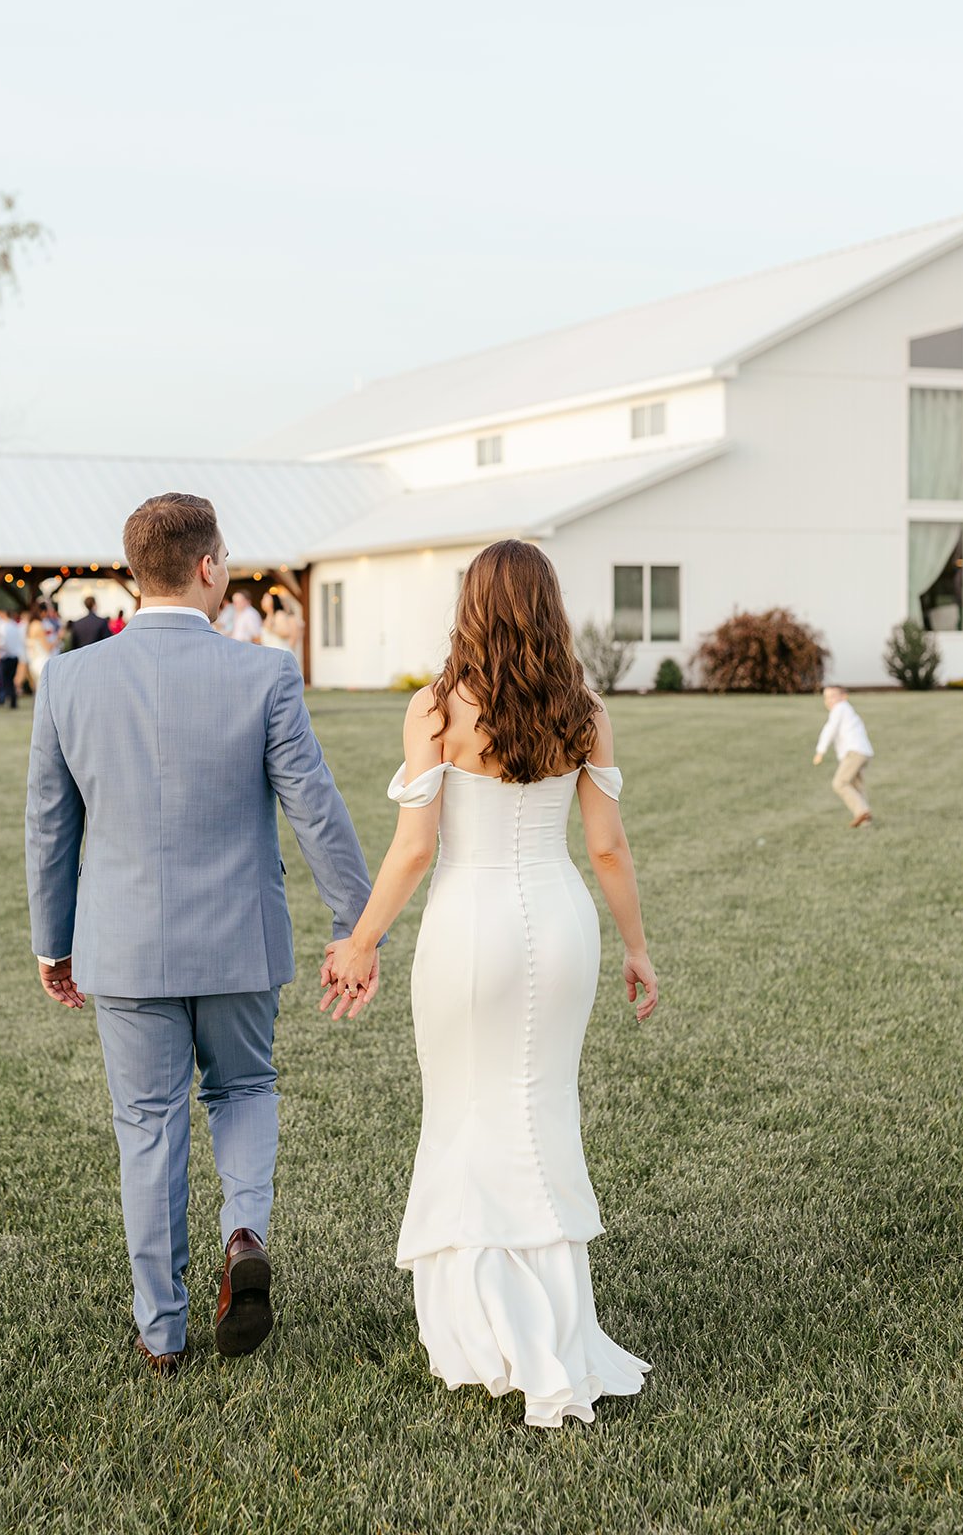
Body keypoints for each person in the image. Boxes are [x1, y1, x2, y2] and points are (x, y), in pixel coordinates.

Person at [25, 492, 378, 1375]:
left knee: (146, 1124)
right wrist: (354, 920)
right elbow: (315, 807)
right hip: (239, 941)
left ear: (134, 574)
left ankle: (162, 1333)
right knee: (245, 1088)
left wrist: (51, 941)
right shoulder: (263, 676)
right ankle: (244, 1229)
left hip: (125, 946)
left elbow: (48, 824)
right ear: (211, 566)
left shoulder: (67, 679)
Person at [322, 539, 658, 1428]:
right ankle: (557, 1327)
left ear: (471, 606)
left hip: (468, 930)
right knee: (539, 1109)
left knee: (467, 1112)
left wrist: (360, 942)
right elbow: (606, 847)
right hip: (559, 924)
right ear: (549, 606)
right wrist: (636, 947)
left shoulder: (435, 710)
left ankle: (479, 1334)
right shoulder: (582, 709)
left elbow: (416, 848)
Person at [813, 685, 873, 827]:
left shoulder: (840, 708)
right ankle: (865, 822)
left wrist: (820, 750)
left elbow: (830, 729)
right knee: (856, 786)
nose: (829, 700)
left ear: (844, 696)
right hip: (863, 752)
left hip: (854, 752)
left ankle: (862, 811)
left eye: (833, 696)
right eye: (826, 697)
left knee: (840, 783)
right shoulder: (848, 711)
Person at [259, 591, 301, 658]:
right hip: (269, 655)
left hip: (279, 654)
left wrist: (271, 628)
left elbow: (285, 632)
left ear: (273, 601)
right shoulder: (267, 617)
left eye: (266, 599)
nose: (262, 601)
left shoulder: (279, 614)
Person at [0, 611, 24, 710]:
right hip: (15, 656)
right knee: (11, 680)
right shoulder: (15, 626)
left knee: (6, 680)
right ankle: (13, 699)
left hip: (6, 656)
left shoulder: (4, 627)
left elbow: (4, 643)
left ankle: (10, 699)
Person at [25, 602, 52, 689]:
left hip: (33, 661)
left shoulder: (30, 625)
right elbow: (47, 647)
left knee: (38, 690)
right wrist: (58, 638)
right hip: (42, 660)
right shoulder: (39, 625)